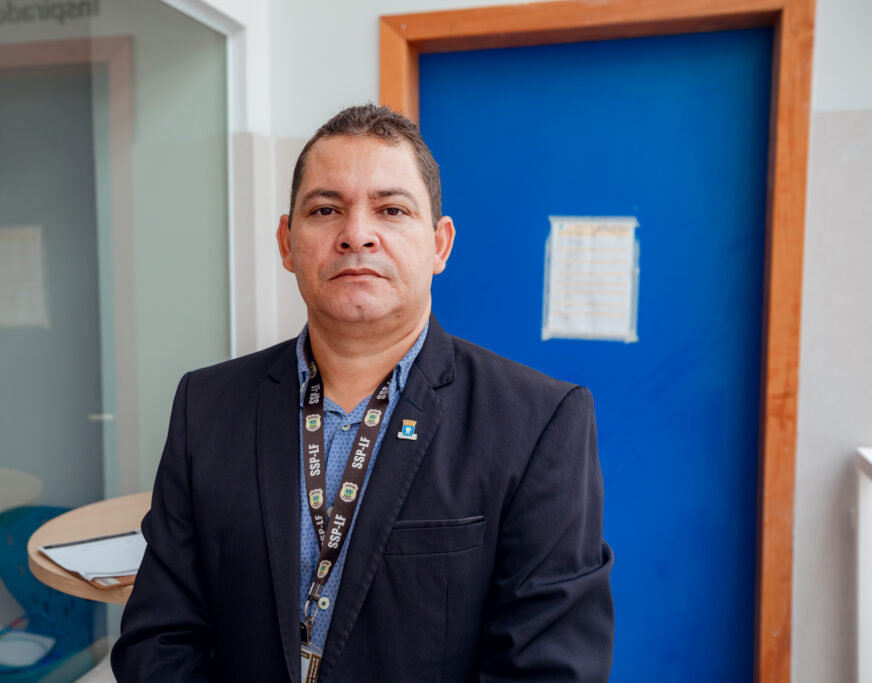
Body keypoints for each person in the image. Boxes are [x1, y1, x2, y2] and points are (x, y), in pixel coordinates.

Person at [111, 104, 614, 682]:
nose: (356, 234)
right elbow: (158, 637)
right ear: (286, 242)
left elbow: (550, 669)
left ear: (440, 245)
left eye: (391, 209)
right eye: (325, 210)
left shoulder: (539, 422)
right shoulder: (206, 406)